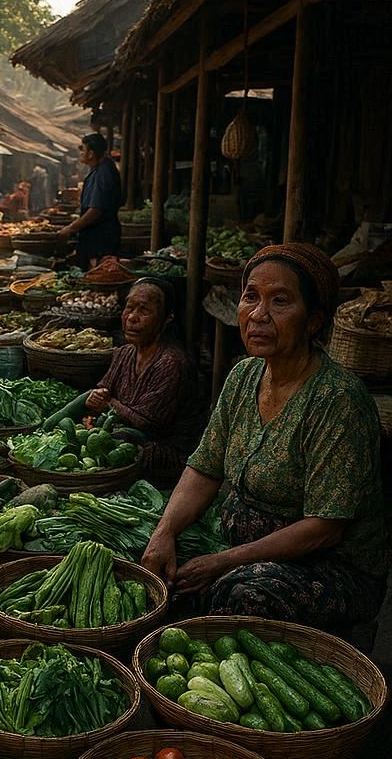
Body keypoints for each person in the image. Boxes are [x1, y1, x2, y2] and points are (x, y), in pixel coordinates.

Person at [142, 243, 386, 635]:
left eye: (280, 301)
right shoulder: (243, 376)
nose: (257, 315)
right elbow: (205, 467)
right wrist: (164, 532)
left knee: (241, 594)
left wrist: (223, 562)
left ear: (313, 321)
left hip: (330, 565)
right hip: (243, 541)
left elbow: (324, 528)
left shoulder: (337, 400)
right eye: (250, 297)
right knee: (149, 564)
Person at [87, 277, 203, 487]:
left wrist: (108, 404)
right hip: (125, 438)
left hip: (164, 454)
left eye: (144, 310)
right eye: (129, 308)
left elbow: (147, 423)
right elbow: (104, 392)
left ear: (167, 318)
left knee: (105, 452)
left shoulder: (172, 363)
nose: (132, 317)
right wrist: (97, 399)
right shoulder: (123, 353)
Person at [58, 132, 122, 267]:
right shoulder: (99, 169)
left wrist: (71, 228)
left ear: (91, 154)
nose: (80, 153)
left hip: (101, 237)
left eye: (83, 149)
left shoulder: (104, 172)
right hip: (96, 236)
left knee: (100, 273)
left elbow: (96, 210)